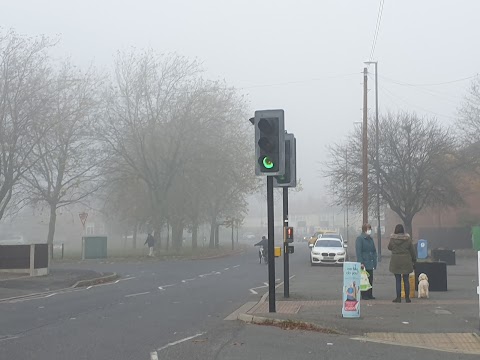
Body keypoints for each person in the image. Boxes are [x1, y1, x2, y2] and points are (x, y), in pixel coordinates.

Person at [388, 224, 416, 303]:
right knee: (406, 279)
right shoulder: (407, 239)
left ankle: (398, 298)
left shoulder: (392, 239)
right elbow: (412, 250)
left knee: (398, 280)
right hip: (406, 260)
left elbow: (389, 247)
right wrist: (414, 259)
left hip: (395, 261)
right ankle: (407, 298)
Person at [355, 223, 377, 300]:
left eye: (370, 229)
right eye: (368, 229)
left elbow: (374, 250)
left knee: (370, 279)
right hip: (364, 262)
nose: (370, 230)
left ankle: (370, 294)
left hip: (370, 262)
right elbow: (359, 251)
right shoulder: (360, 239)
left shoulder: (370, 239)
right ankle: (364, 294)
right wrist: (361, 262)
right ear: (364, 230)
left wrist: (375, 261)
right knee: (364, 279)